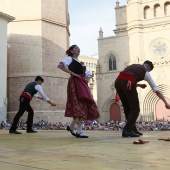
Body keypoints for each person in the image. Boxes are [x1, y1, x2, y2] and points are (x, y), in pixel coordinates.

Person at [114, 60, 170, 137]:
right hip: (127, 83)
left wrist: (139, 85)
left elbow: (126, 78)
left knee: (127, 108)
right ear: (148, 69)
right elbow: (156, 90)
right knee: (135, 109)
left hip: (117, 83)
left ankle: (132, 129)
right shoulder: (145, 72)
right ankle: (127, 130)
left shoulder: (133, 66)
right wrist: (166, 103)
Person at [57, 45, 100, 138]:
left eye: (79, 48)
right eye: (76, 48)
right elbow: (60, 65)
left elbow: (87, 75)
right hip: (75, 83)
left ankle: (75, 128)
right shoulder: (69, 59)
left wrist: (87, 78)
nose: (78, 49)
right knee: (79, 106)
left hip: (82, 84)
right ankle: (76, 129)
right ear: (71, 51)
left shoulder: (80, 63)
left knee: (83, 106)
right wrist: (72, 73)